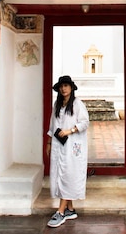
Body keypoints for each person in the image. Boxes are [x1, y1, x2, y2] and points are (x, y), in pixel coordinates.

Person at [46, 75, 90, 228]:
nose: (63, 88)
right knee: (60, 173)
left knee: (69, 174)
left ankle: (60, 211)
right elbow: (52, 125)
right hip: (59, 145)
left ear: (71, 88)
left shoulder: (77, 104)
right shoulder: (57, 104)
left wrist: (70, 131)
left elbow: (85, 122)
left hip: (73, 145)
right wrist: (49, 142)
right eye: (61, 86)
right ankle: (70, 209)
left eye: (66, 85)